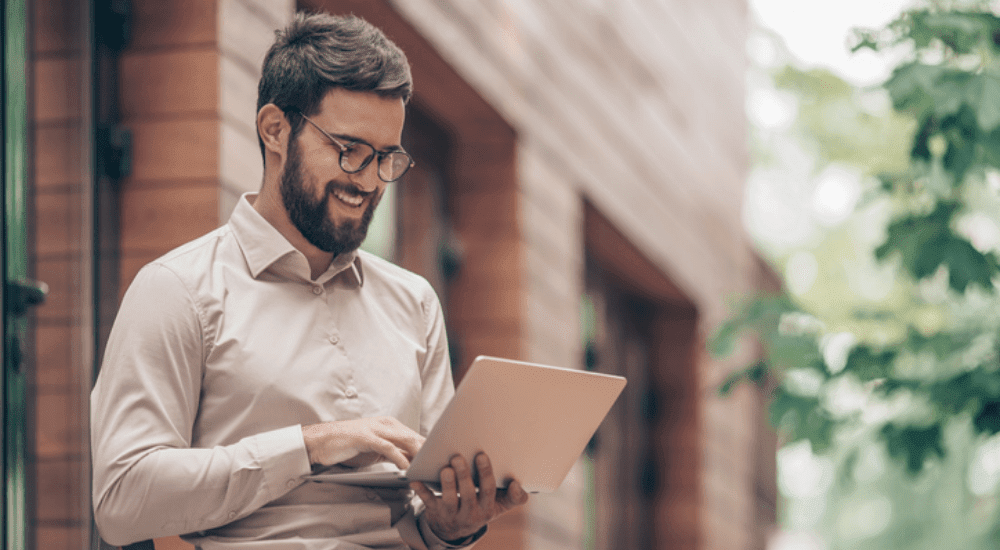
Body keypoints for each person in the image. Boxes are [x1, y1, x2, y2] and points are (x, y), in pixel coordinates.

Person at [90, 11, 528, 550]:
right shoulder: (178, 290)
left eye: (387, 158)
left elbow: (426, 506)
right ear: (275, 129)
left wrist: (454, 524)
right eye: (349, 151)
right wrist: (310, 446)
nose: (368, 180)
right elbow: (121, 499)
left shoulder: (413, 302)